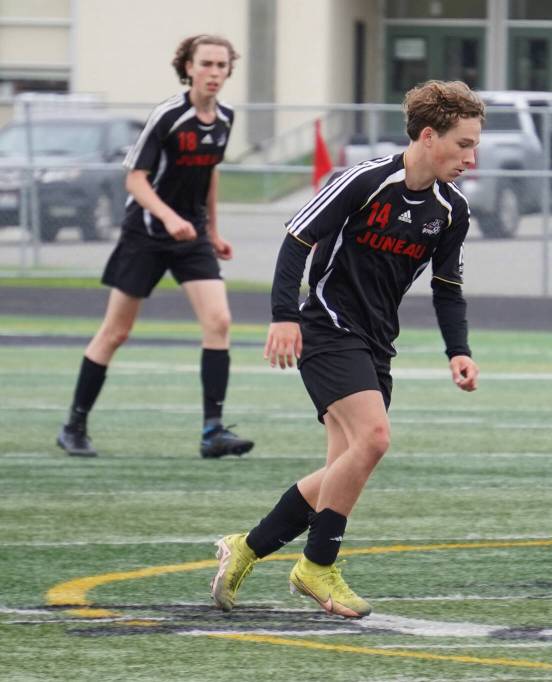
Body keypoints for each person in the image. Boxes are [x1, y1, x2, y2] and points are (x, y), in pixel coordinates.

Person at [210, 80, 483, 617]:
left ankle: (246, 547)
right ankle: (316, 567)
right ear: (429, 137)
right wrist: (284, 316)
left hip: (377, 343)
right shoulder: (365, 181)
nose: (471, 158)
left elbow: (447, 287)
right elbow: (297, 239)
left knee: (340, 474)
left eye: (474, 146)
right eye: (464, 144)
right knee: (375, 440)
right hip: (328, 328)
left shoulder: (452, 209)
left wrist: (459, 349)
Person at [55, 35, 254, 460]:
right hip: (146, 234)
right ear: (188, 67)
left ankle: (213, 431)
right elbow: (135, 180)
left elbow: (211, 173)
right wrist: (168, 217)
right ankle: (74, 425)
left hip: (191, 237)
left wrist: (212, 231)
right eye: (206, 64)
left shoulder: (225, 117)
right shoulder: (169, 116)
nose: (214, 72)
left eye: (221, 65)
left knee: (219, 321)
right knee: (116, 332)